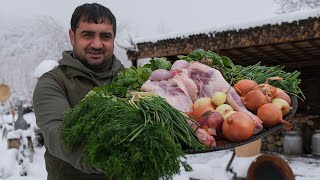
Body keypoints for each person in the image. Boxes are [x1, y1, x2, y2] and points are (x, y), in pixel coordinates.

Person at [33, 3, 125, 180]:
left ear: (114, 39)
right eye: (88, 35)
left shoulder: (133, 81)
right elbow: (58, 135)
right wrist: (123, 156)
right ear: (72, 36)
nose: (97, 44)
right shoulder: (53, 83)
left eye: (105, 36)